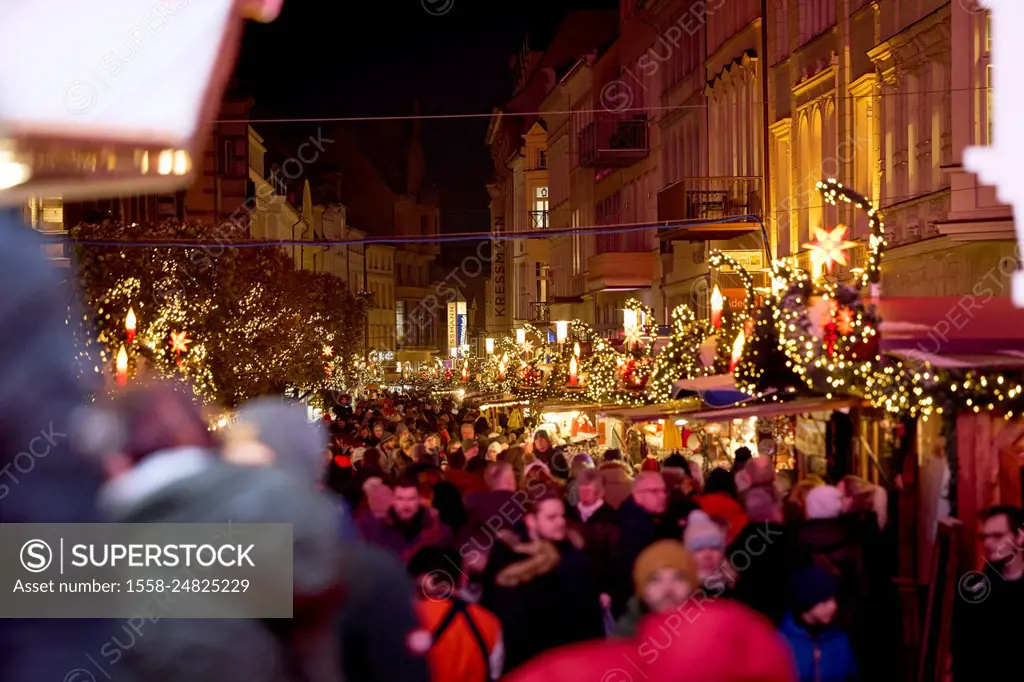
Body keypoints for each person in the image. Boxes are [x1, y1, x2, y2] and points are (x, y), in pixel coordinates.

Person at [481, 490, 604, 673]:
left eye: (562, 516)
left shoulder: (575, 555)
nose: (560, 522)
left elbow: (590, 616)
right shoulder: (506, 559)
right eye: (551, 517)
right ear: (531, 521)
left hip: (571, 663)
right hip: (525, 665)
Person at [409, 547, 505, 682]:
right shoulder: (491, 622)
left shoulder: (414, 615)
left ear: (425, 580)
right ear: (462, 579)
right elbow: (495, 673)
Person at [953, 505, 1024, 682]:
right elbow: (964, 650)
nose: (988, 543)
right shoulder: (977, 590)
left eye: (998, 536)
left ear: (1020, 537)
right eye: (985, 536)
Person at [612, 472, 678, 616]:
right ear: (637, 494)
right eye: (654, 491)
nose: (662, 496)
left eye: (663, 491)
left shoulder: (663, 521)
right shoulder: (630, 528)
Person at [780, 564, 858, 682]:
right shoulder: (780, 643)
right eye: (825, 600)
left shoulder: (840, 639)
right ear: (806, 603)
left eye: (834, 598)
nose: (834, 606)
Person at [358, 474, 453, 564]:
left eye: (411, 499)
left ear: (419, 499)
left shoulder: (434, 525)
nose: (406, 505)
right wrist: (420, 544)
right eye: (400, 498)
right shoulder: (376, 525)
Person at [613, 540, 697, 637]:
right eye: (655, 580)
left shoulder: (708, 629)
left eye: (678, 578)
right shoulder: (624, 635)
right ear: (642, 591)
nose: (668, 588)